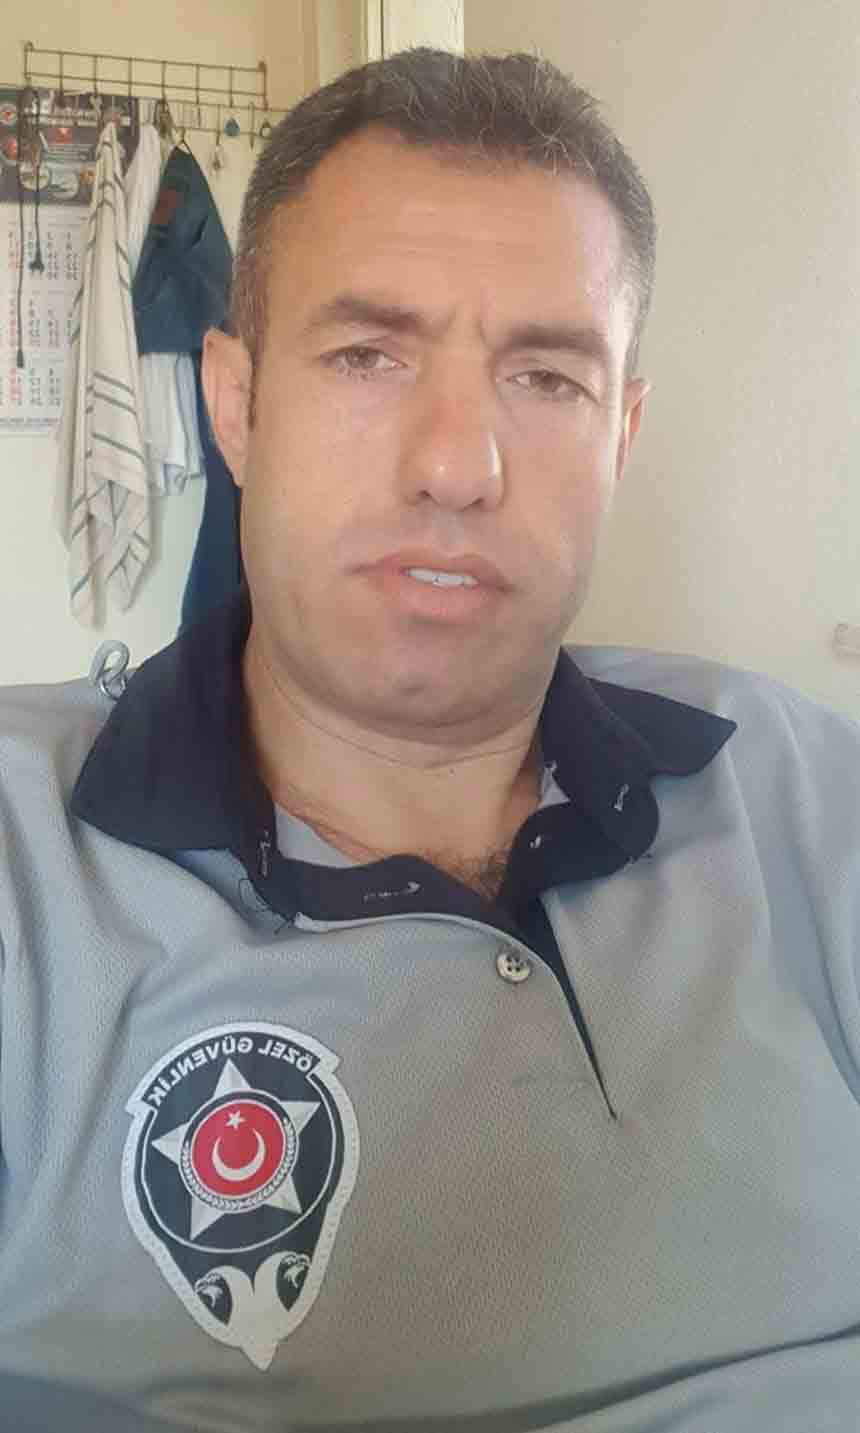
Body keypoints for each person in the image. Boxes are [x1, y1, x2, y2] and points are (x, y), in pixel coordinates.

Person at [0, 47, 858, 1433]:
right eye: (367, 355)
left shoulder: (804, 788)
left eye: (548, 377)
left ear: (621, 435)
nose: (458, 465)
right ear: (237, 406)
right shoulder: (24, 860)